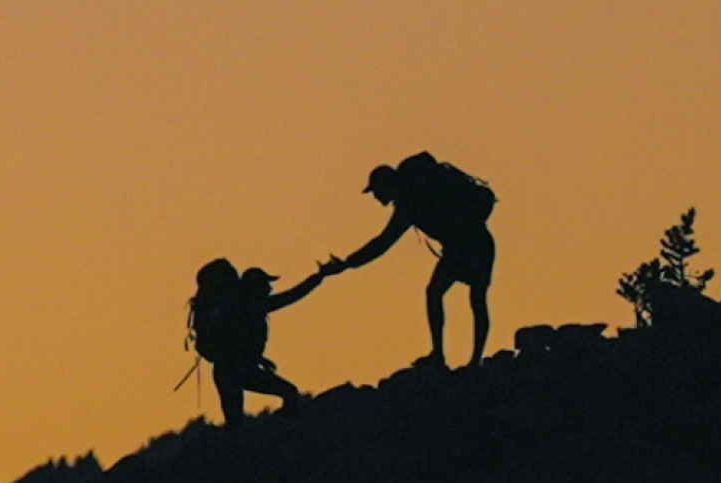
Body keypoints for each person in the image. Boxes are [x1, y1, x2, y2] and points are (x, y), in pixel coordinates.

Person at [320, 153, 497, 369]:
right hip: (476, 243)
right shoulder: (413, 200)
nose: (376, 197)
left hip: (466, 245)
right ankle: (464, 359)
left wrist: (348, 263)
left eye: (376, 191)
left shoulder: (409, 205)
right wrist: (349, 263)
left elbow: (383, 243)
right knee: (470, 298)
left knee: (443, 294)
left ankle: (448, 357)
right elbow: (383, 243)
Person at [188, 258, 328, 423]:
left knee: (235, 422)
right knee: (288, 392)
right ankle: (285, 434)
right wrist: (318, 278)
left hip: (227, 370)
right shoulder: (249, 306)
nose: (269, 288)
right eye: (265, 284)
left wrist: (259, 359)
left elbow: (236, 342)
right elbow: (289, 297)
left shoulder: (239, 306)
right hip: (237, 370)